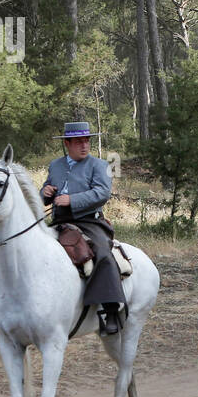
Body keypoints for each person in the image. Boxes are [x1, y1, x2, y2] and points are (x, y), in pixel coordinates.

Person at [41, 121, 125, 336]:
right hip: (60, 222)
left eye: (87, 141)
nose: (84, 146)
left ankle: (111, 309)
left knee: (103, 253)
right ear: (67, 143)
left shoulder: (99, 165)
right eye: (79, 142)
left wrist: (72, 200)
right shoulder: (56, 165)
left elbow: (102, 193)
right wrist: (45, 192)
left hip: (89, 221)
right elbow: (45, 191)